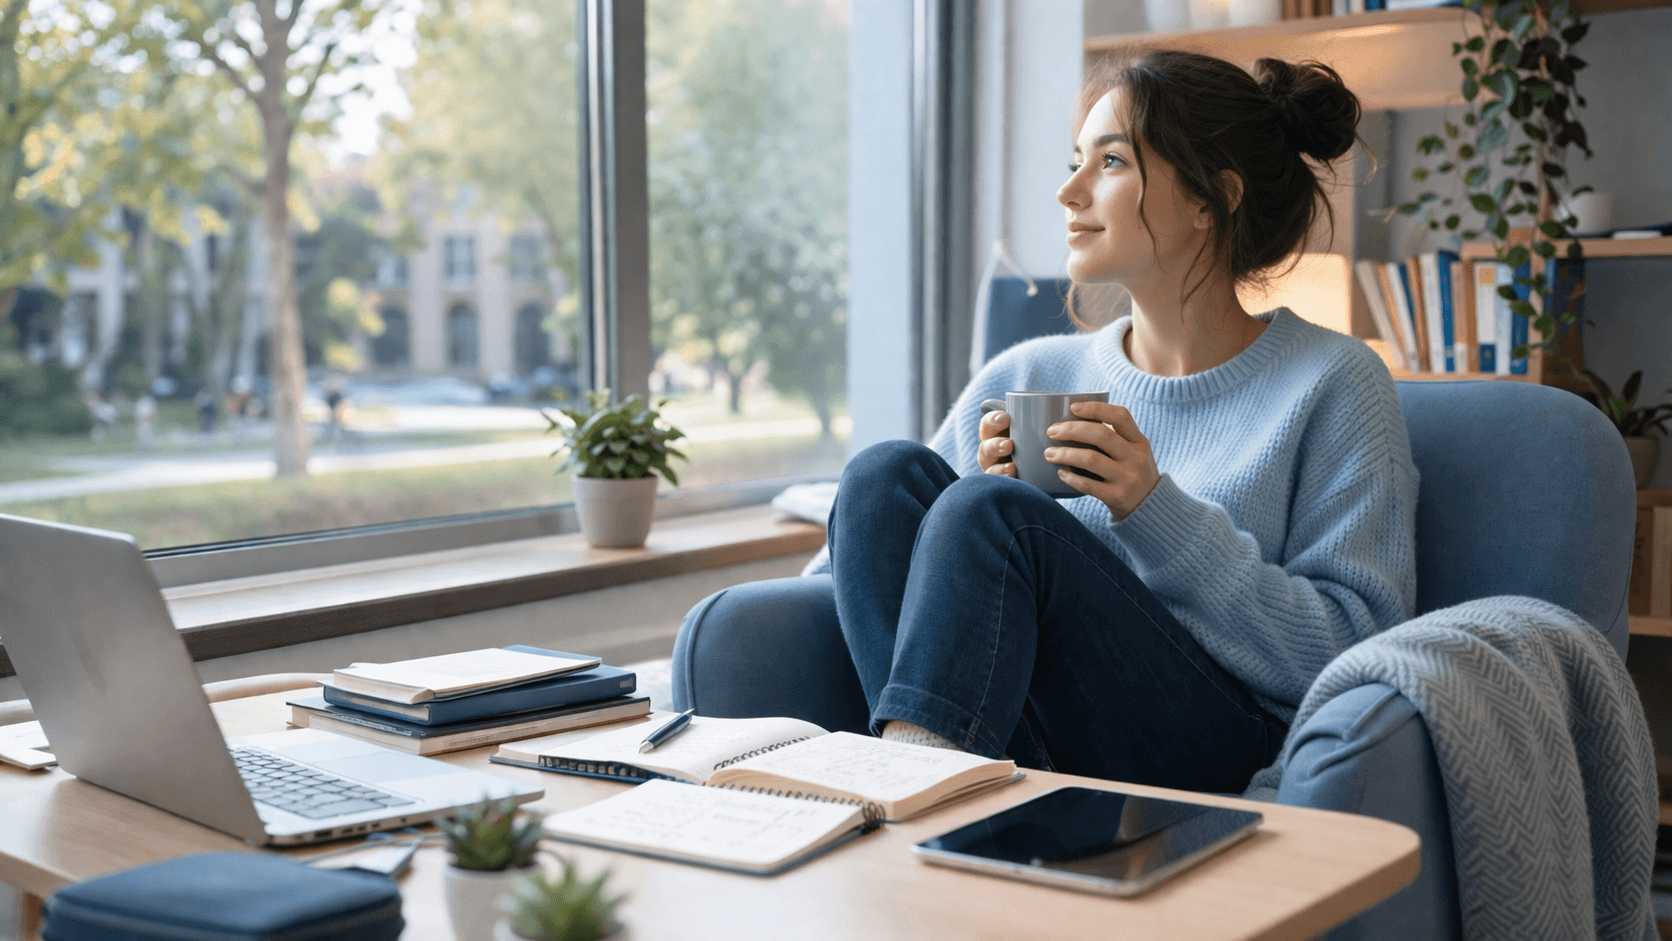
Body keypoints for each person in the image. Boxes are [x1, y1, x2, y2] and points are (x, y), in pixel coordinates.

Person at [810, 50, 1418, 795]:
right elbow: (847, 569)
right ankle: (939, 791)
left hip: (1220, 740)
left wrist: (1152, 509)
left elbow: (1357, 649)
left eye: (1110, 163)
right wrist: (965, 550)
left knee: (995, 513)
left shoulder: (1335, 383)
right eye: (1075, 162)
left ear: (1210, 199)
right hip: (1030, 737)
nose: (1069, 192)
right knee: (883, 477)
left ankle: (907, 806)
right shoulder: (1029, 373)